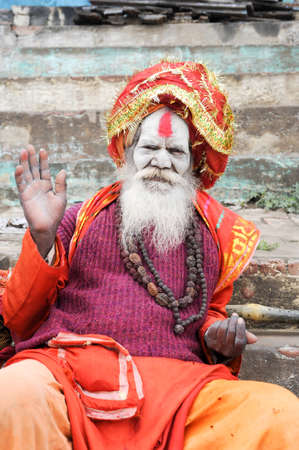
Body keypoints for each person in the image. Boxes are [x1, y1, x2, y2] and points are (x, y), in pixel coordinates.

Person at [0, 60, 298, 450]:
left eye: (175, 151)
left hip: (179, 388)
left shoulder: (220, 236)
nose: (160, 161)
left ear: (194, 164)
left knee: (280, 414)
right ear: (127, 154)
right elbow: (20, 317)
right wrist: (42, 236)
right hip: (71, 371)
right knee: (11, 396)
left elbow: (208, 315)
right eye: (150, 148)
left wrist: (218, 338)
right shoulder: (79, 218)